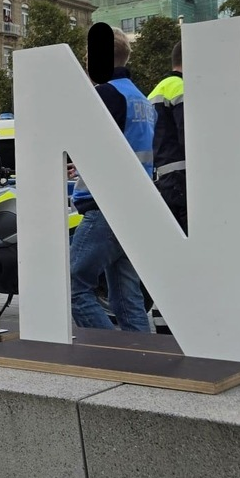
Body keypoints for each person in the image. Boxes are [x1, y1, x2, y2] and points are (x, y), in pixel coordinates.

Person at [68, 28, 156, 333]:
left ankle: (109, 349)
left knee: (74, 286)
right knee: (127, 297)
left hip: (105, 206)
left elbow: (91, 142)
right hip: (136, 206)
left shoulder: (106, 94)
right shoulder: (141, 99)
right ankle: (141, 353)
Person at [148, 41, 186, 232]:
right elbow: (188, 135)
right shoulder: (181, 87)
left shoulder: (156, 90)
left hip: (164, 177)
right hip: (183, 177)